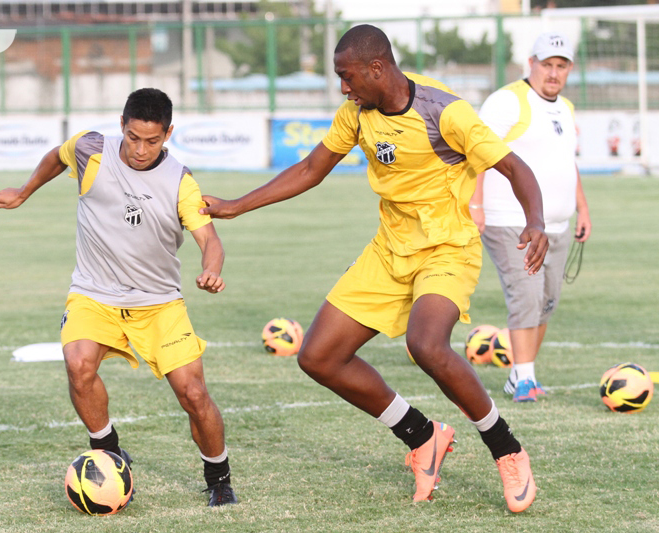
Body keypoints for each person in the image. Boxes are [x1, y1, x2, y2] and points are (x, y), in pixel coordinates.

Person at [200, 24, 548, 512]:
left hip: (446, 249)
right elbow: (309, 170)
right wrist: (235, 206)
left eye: (347, 76)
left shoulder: (444, 111)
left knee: (425, 344)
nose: (343, 87)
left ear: (376, 68)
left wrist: (535, 220)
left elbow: (515, 168)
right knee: (318, 356)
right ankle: (422, 436)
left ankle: (507, 449)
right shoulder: (356, 114)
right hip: (388, 251)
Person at [0, 88, 238, 507]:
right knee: (78, 363)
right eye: (133, 138)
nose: (141, 150)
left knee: (193, 394)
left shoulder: (181, 181)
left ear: (168, 133)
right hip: (94, 294)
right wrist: (24, 191)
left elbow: (209, 239)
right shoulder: (91, 149)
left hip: (158, 303)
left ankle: (219, 476)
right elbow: (56, 156)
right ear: (122, 126)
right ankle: (107, 449)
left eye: (152, 141)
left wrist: (211, 269)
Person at [471, 32, 592, 403]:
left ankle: (521, 375)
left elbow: (565, 161)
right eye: (547, 64)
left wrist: (582, 208)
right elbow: (476, 151)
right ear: (531, 64)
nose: (553, 73)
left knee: (547, 301)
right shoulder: (507, 101)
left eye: (561, 66)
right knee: (526, 293)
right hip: (509, 219)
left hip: (557, 224)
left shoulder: (566, 109)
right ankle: (524, 378)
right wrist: (475, 205)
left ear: (568, 70)